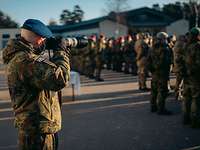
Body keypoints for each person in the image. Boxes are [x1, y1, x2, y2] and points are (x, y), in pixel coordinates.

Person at [3, 19, 70, 150]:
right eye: (43, 40)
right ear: (39, 39)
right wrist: (61, 52)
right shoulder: (26, 61)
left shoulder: (22, 57)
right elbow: (60, 79)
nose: (44, 43)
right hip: (37, 132)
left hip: (36, 128)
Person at [147, 32, 172, 115]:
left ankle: (153, 107)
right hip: (162, 72)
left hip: (154, 72)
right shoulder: (165, 49)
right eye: (166, 38)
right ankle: (161, 109)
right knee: (162, 91)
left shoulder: (152, 47)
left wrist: (152, 69)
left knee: (154, 90)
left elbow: (148, 60)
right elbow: (165, 61)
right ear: (163, 39)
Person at [182, 27, 200, 128]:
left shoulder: (186, 46)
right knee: (196, 99)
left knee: (186, 98)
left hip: (186, 75)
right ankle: (195, 121)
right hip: (195, 76)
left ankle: (185, 118)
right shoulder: (197, 46)